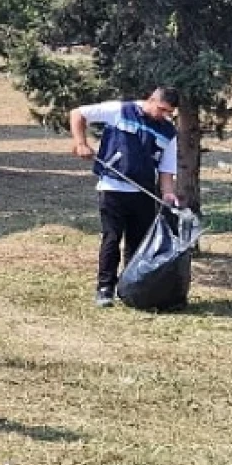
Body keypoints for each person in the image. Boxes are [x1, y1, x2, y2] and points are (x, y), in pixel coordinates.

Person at [68, 87, 179, 308]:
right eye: (161, 109)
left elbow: (166, 169)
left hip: (143, 192)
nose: (163, 115)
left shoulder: (168, 132)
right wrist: (80, 142)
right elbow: (78, 113)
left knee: (137, 244)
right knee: (112, 238)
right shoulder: (120, 110)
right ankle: (105, 288)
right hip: (112, 188)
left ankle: (130, 288)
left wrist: (168, 193)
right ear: (151, 100)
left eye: (168, 112)